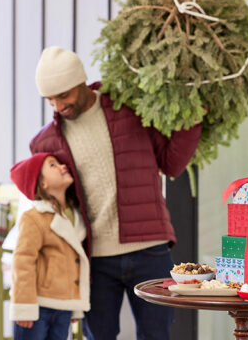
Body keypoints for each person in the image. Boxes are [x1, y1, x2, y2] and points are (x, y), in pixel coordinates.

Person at [29, 46, 202, 340]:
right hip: (94, 260)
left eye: (63, 96)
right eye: (50, 100)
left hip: (150, 248)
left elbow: (171, 163)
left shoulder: (129, 107)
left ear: (81, 82)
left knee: (156, 335)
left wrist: (194, 116)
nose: (58, 107)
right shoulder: (46, 143)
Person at [9, 153, 90, 340]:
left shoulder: (74, 215)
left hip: (63, 307)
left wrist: (74, 305)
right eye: (53, 165)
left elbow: (73, 263)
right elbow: (23, 262)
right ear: (43, 184)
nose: (62, 166)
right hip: (37, 307)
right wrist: (24, 307)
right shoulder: (34, 218)